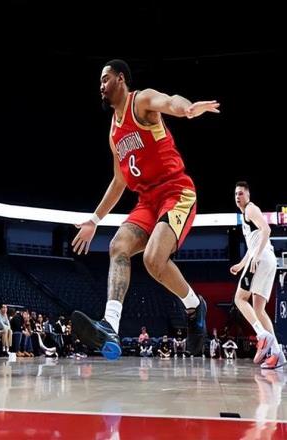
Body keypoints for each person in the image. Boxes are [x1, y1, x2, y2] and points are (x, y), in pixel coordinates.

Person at [71, 59, 219, 359]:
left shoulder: (141, 101)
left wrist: (187, 108)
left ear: (121, 79)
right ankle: (110, 324)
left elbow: (170, 101)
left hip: (176, 191)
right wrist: (94, 220)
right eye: (99, 81)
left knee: (153, 260)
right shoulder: (113, 133)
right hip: (147, 201)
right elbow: (119, 182)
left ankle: (194, 306)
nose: (101, 85)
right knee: (118, 246)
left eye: (105, 78)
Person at [231, 181, 285, 369]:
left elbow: (266, 230)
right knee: (259, 309)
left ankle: (262, 335)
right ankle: (277, 354)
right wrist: (241, 264)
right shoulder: (245, 216)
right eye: (235, 194)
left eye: (241, 193)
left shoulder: (250, 209)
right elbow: (253, 244)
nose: (238, 197)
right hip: (268, 259)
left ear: (248, 195)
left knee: (239, 299)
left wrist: (256, 256)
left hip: (261, 258)